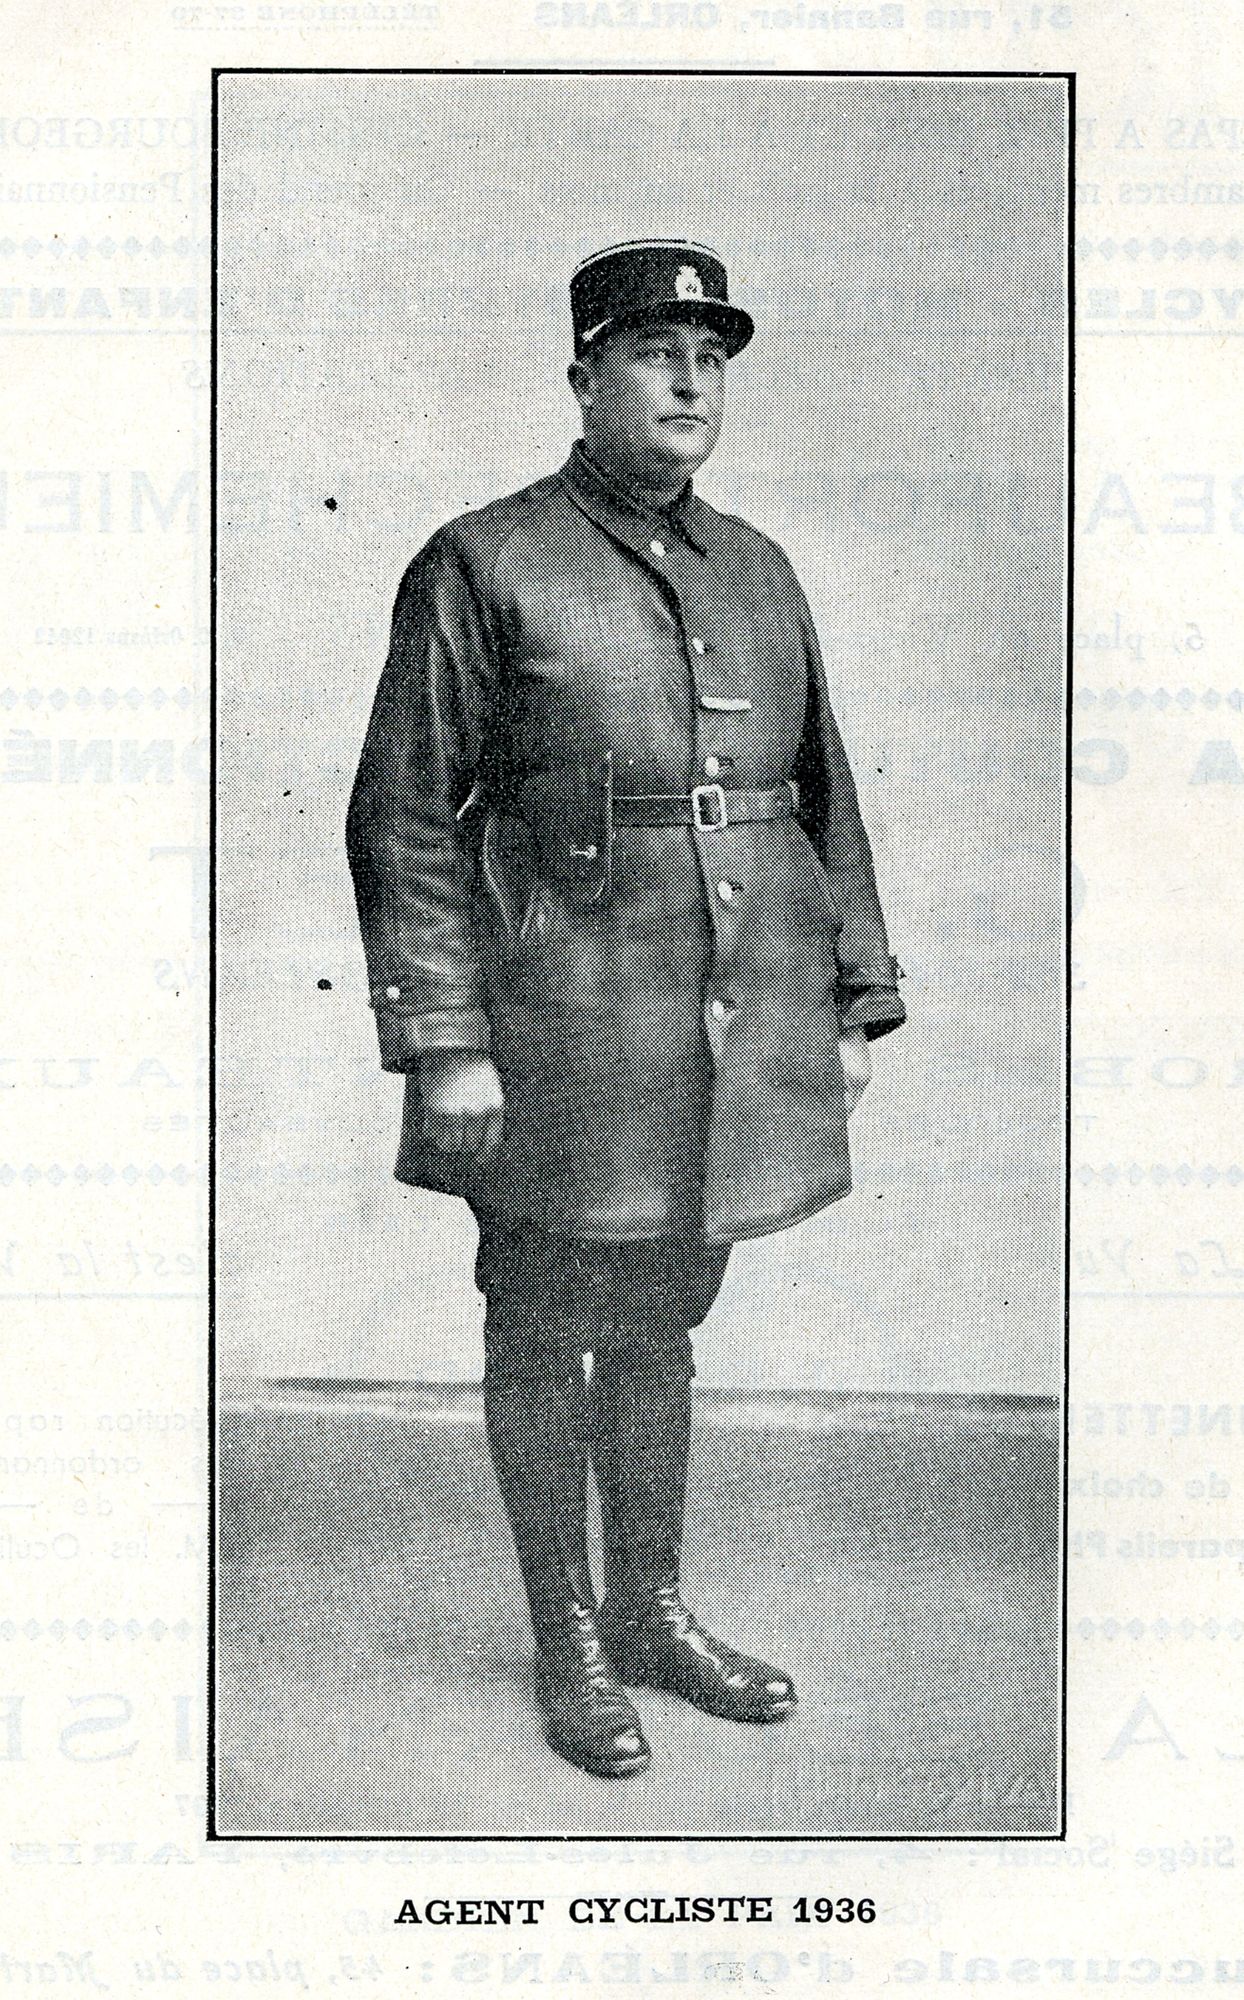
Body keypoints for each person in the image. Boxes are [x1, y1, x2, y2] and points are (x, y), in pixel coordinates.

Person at [347, 240, 905, 1781]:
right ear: (584, 378)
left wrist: (854, 1000)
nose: (690, 382)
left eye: (711, 358)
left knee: (664, 1319)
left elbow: (822, 797)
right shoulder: (485, 559)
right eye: (657, 354)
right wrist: (444, 1039)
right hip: (553, 1030)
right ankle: (569, 1638)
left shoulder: (761, 568)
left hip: (728, 1028)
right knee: (541, 1321)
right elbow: (403, 814)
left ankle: (650, 1610)